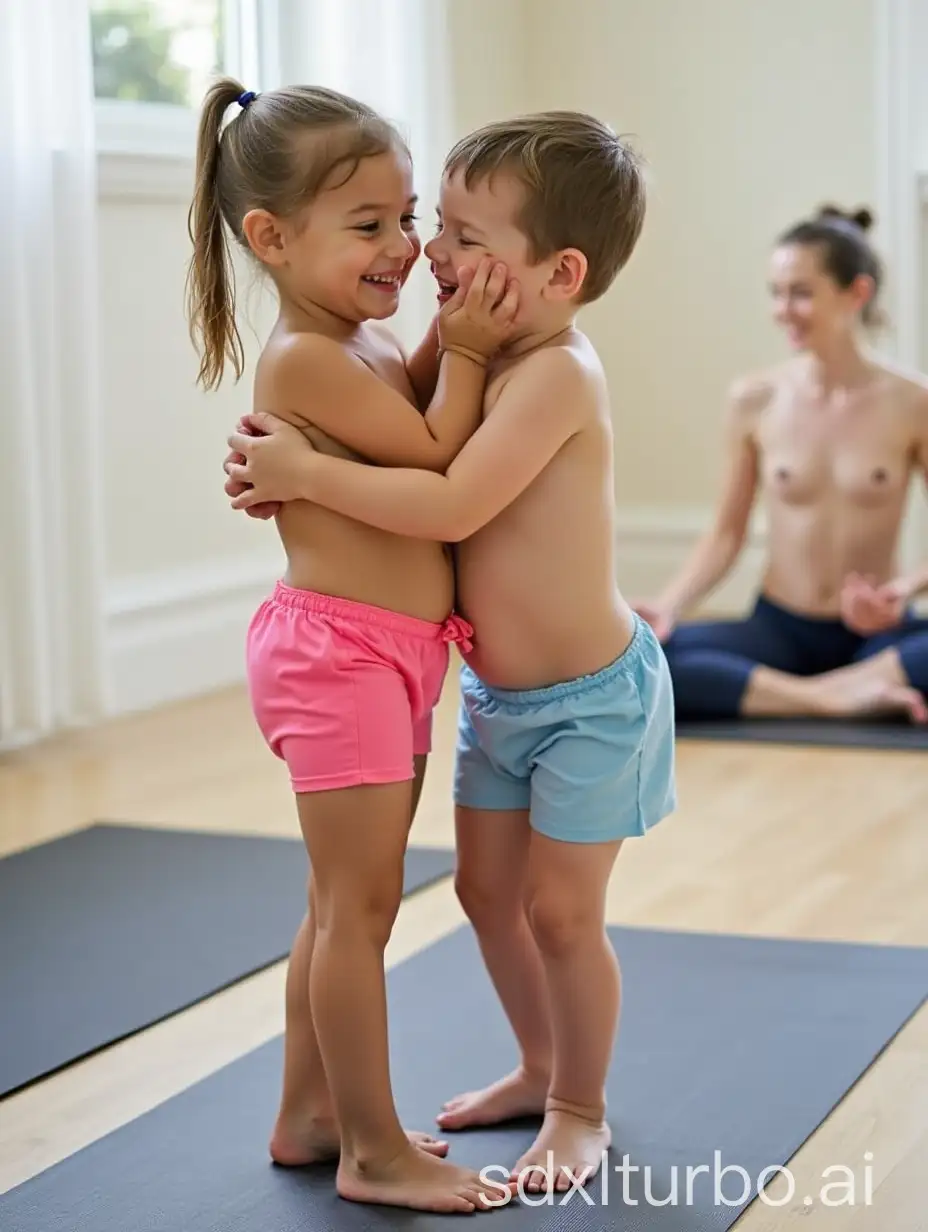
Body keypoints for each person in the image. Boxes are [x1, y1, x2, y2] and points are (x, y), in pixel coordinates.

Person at [223, 111, 677, 1198]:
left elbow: (450, 493)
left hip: (586, 702)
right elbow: (422, 418)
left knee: (561, 912)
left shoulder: (556, 372)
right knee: (479, 891)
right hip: (492, 694)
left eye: (457, 234)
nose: (432, 252)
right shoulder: (445, 354)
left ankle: (579, 1103)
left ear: (556, 270)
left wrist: (307, 471)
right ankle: (533, 1062)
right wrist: (444, 354)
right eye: (434, 227)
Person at [186, 77, 520, 1215]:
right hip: (340, 656)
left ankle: (309, 1110)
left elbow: (412, 407)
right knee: (357, 908)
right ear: (271, 238)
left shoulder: (360, 343)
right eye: (369, 224)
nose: (403, 244)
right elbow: (433, 456)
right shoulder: (304, 357)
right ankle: (370, 1147)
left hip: (389, 652)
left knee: (342, 901)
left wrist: (441, 336)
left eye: (410, 215)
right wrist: (471, 348)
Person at [630, 206, 928, 724]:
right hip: (780, 629)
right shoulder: (755, 399)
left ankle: (830, 688)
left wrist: (900, 592)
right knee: (640, 661)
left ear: (856, 293)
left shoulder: (912, 403)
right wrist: (670, 607)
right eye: (776, 291)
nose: (782, 309)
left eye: (801, 292)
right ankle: (829, 698)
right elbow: (727, 533)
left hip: (877, 636)